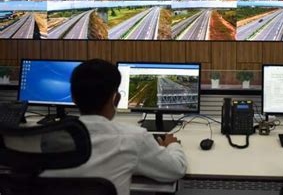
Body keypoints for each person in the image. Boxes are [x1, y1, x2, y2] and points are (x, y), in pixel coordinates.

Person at [43, 59, 187, 195]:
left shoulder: (47, 139)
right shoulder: (134, 138)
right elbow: (175, 170)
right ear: (116, 99)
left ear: (73, 98)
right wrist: (172, 145)